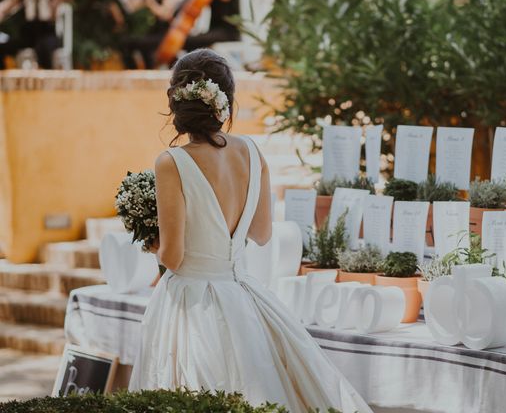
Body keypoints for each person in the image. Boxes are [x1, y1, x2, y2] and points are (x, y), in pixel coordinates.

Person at [129, 49, 371, 412]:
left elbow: (174, 258)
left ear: (177, 99)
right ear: (225, 100)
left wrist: (152, 242)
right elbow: (261, 233)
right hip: (242, 298)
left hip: (190, 305)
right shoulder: (253, 152)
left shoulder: (171, 162)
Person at [0, 0, 71, 69]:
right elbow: (7, 4)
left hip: (47, 34)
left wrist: (56, 2)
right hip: (28, 34)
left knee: (44, 49)